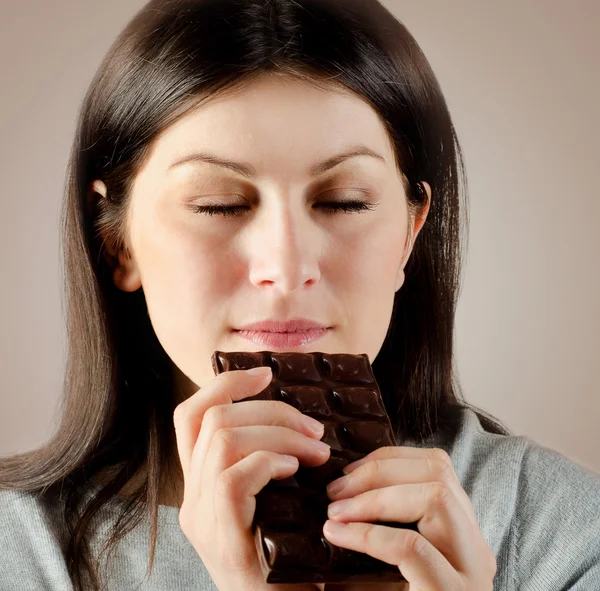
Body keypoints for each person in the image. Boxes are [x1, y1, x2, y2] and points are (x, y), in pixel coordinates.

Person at [1, 0, 599, 589]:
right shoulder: (19, 551)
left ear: (409, 236)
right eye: (219, 205)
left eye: (343, 202)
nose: (286, 270)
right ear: (117, 244)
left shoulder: (562, 532)